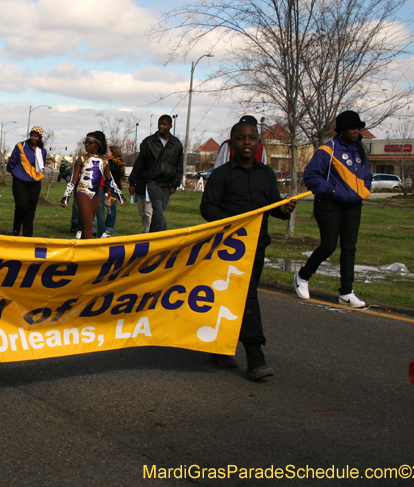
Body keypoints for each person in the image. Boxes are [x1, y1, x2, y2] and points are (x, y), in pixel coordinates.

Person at [200, 115, 296, 380]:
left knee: (241, 296)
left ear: (258, 143)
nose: (247, 142)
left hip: (256, 248)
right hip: (227, 249)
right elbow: (207, 208)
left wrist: (283, 209)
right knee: (243, 297)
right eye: (241, 138)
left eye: (252, 138)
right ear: (232, 143)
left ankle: (220, 347)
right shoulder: (221, 175)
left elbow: (272, 207)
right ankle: (255, 356)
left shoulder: (266, 175)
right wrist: (232, 224)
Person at [294, 110, 372, 308]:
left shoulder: (360, 151)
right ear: (342, 130)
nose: (356, 132)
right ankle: (302, 276)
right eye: (352, 128)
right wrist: (333, 190)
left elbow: (367, 176)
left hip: (353, 206)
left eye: (358, 128)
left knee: (349, 248)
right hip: (329, 204)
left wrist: (365, 190)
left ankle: (346, 292)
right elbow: (311, 176)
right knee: (328, 246)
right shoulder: (328, 149)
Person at [62, 131, 126, 239]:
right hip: (82, 191)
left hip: (96, 193)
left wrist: (120, 195)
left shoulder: (104, 160)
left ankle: (83, 246)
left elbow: (110, 180)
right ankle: (89, 247)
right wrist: (66, 196)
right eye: (85, 142)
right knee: (88, 223)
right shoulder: (81, 159)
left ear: (98, 144)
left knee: (88, 223)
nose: (86, 145)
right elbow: (73, 180)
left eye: (89, 142)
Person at [128, 115, 184, 232]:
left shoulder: (176, 144)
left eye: (164, 124)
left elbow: (179, 166)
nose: (161, 126)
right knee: (157, 210)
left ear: (170, 126)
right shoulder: (149, 142)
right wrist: (133, 182)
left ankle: (153, 236)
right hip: (152, 182)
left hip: (167, 184)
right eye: (159, 124)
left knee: (159, 212)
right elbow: (140, 163)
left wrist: (175, 185)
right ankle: (160, 236)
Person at [6, 126, 47, 237]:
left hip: (35, 182)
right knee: (21, 206)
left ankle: (28, 234)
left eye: (36, 136)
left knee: (31, 209)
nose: (33, 138)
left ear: (39, 138)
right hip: (20, 181)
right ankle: (16, 229)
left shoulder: (42, 151)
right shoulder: (21, 146)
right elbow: (12, 161)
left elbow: (42, 165)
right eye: (32, 135)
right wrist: (14, 173)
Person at [104, 146, 125, 234]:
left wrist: (109, 189)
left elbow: (110, 177)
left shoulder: (112, 164)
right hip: (113, 188)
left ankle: (109, 226)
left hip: (112, 188)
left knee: (111, 207)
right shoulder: (120, 163)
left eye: (108, 151)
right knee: (111, 208)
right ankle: (108, 226)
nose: (107, 153)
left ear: (112, 152)